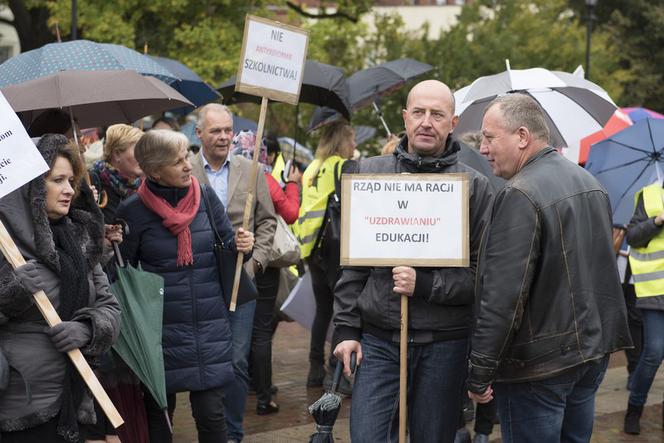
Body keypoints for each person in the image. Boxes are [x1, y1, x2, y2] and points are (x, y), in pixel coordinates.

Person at [333, 80, 493, 443]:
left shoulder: (474, 186)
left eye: (437, 114)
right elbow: (351, 266)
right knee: (368, 435)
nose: (426, 122)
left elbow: (481, 278)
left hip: (445, 345)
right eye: (418, 112)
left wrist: (425, 285)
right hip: (378, 340)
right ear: (404, 117)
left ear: (453, 122)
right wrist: (345, 330)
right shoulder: (369, 174)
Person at [467, 93, 631, 443]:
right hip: (589, 353)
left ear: (523, 136)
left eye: (489, 137)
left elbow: (503, 297)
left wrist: (479, 372)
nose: (482, 148)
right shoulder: (589, 182)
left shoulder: (519, 194)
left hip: (540, 367)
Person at [116, 129, 254, 443]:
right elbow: (120, 274)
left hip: (208, 325)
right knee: (160, 420)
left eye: (186, 157)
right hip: (159, 333)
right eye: (177, 162)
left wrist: (243, 245)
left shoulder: (205, 197)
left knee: (211, 415)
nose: (187, 166)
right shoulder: (133, 211)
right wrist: (109, 245)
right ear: (153, 171)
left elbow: (228, 251)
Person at [0, 134, 121, 442]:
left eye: (71, 180)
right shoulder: (5, 244)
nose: (69, 190)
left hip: (75, 397)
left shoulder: (81, 238)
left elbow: (110, 307)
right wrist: (13, 293)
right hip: (20, 406)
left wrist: (88, 328)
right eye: (58, 180)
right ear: (33, 188)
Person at [191, 104, 276, 443]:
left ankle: (233, 435)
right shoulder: (186, 170)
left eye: (228, 130)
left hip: (242, 279)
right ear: (199, 134)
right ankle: (210, 433)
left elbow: (268, 220)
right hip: (199, 281)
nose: (225, 136)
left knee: (238, 360)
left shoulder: (251, 169)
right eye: (216, 131)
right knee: (206, 361)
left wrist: (256, 261)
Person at [231, 130, 302, 415]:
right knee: (260, 331)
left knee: (237, 329)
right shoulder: (264, 178)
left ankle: (242, 386)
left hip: (234, 262)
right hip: (264, 264)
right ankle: (264, 396)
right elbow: (291, 212)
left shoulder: (230, 180)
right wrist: (293, 185)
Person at [86, 123, 148, 443]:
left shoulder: (140, 186)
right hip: (105, 281)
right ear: (116, 154)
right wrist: (105, 238)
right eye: (135, 149)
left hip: (132, 280)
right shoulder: (93, 183)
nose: (142, 156)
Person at [297, 120, 356, 392]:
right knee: (343, 311)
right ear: (343, 141)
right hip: (334, 249)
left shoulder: (311, 168)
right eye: (351, 139)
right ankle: (339, 375)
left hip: (311, 250)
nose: (354, 146)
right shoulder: (342, 167)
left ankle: (313, 369)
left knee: (322, 311)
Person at [622, 182, 664, 435]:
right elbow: (633, 238)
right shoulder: (650, 195)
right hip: (654, 292)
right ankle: (634, 408)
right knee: (654, 353)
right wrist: (657, 220)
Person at [89, 124, 144, 221]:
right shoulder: (93, 180)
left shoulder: (144, 186)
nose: (143, 156)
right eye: (137, 150)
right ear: (117, 154)